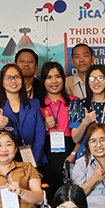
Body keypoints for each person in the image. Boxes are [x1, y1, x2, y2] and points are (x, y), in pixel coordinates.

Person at [0, 63, 47, 168]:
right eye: (8, 78)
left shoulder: (34, 104)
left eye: (17, 77)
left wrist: (32, 162)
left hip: (31, 159)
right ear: (2, 83)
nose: (13, 81)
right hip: (2, 161)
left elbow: (40, 136)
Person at [39, 61, 77, 193]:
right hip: (45, 154)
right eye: (49, 77)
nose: (54, 81)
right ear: (43, 81)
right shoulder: (36, 104)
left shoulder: (74, 102)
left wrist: (74, 153)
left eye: (58, 76)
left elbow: (83, 133)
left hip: (69, 152)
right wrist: (44, 126)